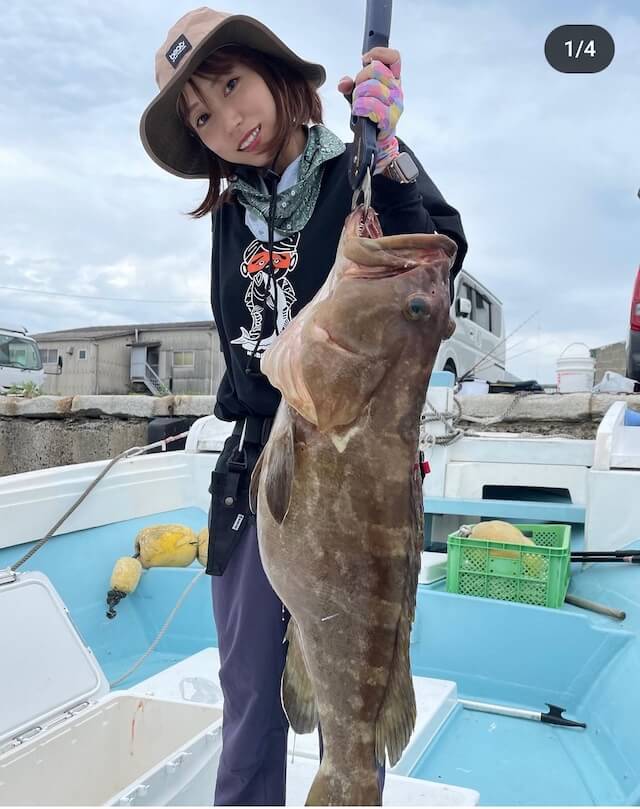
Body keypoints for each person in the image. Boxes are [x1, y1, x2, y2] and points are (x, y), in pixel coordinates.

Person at [140, 7, 467, 805]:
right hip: (259, 464)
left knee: (355, 690)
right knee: (249, 696)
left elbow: (428, 273)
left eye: (232, 84)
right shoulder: (231, 216)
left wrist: (388, 161)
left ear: (276, 75)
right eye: (203, 115)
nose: (229, 120)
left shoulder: (355, 169)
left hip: (352, 456)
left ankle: (353, 781)